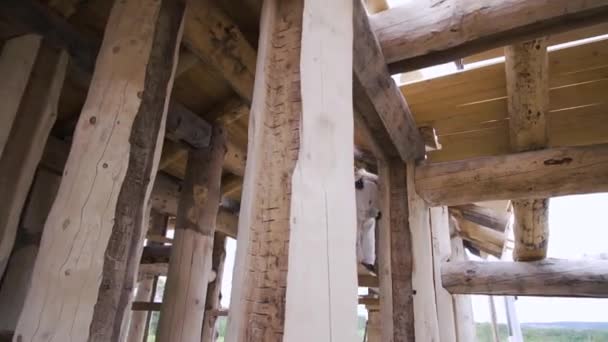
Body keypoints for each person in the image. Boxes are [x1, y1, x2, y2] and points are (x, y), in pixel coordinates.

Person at [355, 168, 380, 272]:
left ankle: (369, 262)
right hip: (355, 215)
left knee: (368, 236)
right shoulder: (348, 187)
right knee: (356, 237)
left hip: (368, 215)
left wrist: (366, 174)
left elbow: (376, 202)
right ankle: (358, 260)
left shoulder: (371, 186)